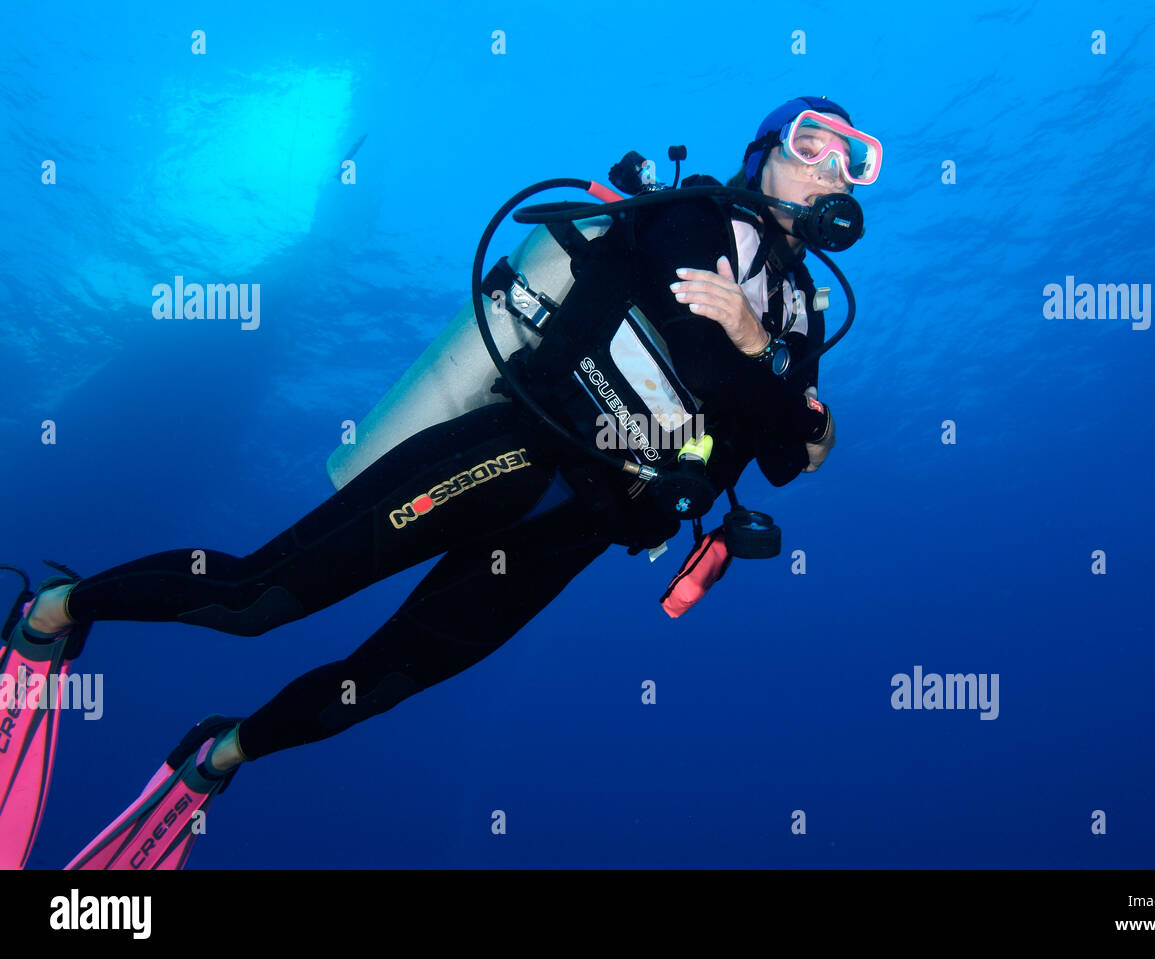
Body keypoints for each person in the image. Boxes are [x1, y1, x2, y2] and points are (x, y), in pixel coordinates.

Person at [0, 95, 880, 868]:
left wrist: (764, 361)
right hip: (517, 450)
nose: (829, 169)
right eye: (812, 143)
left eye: (851, 160)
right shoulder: (694, 216)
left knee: (375, 686)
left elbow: (777, 458)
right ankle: (54, 612)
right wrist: (775, 389)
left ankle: (218, 757)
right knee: (257, 598)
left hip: (578, 527)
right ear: (766, 146)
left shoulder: (802, 314)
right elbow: (736, 389)